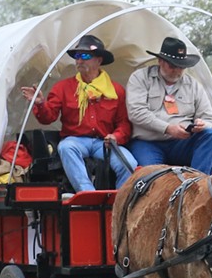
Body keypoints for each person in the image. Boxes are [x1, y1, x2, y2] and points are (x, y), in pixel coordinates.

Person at [20, 33, 135, 193]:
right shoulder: (63, 87)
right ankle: (88, 194)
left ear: (99, 60)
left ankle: (118, 202)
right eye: (77, 56)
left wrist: (116, 136)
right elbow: (48, 118)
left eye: (85, 55)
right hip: (75, 141)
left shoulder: (116, 91)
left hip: (104, 143)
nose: (79, 60)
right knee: (66, 147)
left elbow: (123, 123)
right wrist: (40, 104)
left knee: (130, 164)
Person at [125, 37, 212, 173]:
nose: (177, 71)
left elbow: (210, 119)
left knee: (211, 135)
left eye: (182, 67)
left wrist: (202, 124)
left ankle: (198, 186)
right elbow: (136, 112)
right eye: (173, 66)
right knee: (153, 178)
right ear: (160, 62)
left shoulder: (193, 85)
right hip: (148, 143)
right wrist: (168, 128)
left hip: (181, 144)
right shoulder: (140, 78)